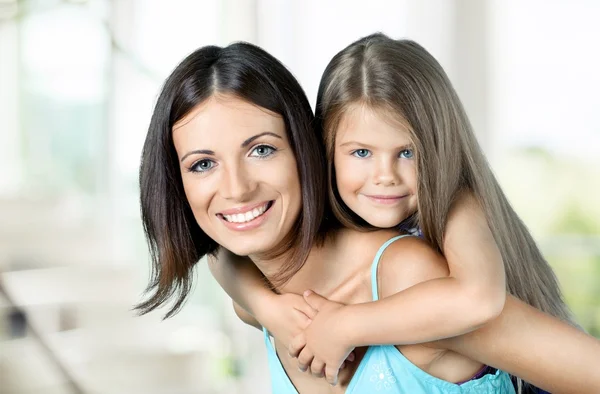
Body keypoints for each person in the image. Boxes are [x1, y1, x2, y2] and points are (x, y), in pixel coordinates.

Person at [136, 41, 600, 393]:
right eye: (202, 163)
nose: (236, 188)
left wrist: (344, 325)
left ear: (306, 149)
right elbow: (222, 260)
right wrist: (271, 309)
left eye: (261, 150)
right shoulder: (262, 300)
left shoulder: (412, 276)